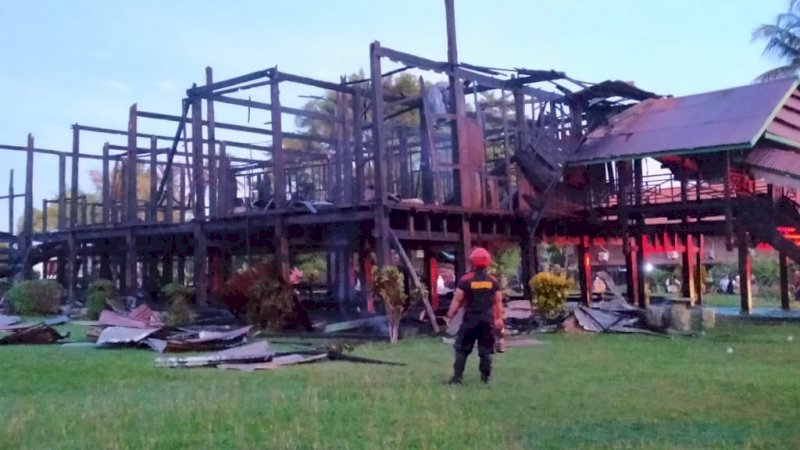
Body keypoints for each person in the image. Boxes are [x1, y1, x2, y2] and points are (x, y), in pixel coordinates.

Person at [445, 247, 504, 385]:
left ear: (472, 261)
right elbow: (498, 302)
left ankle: (457, 379)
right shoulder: (493, 281)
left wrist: (449, 315)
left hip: (470, 321)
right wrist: (499, 318)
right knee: (485, 350)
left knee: (462, 349)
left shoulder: (466, 280)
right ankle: (485, 378)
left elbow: (457, 300)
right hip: (487, 321)